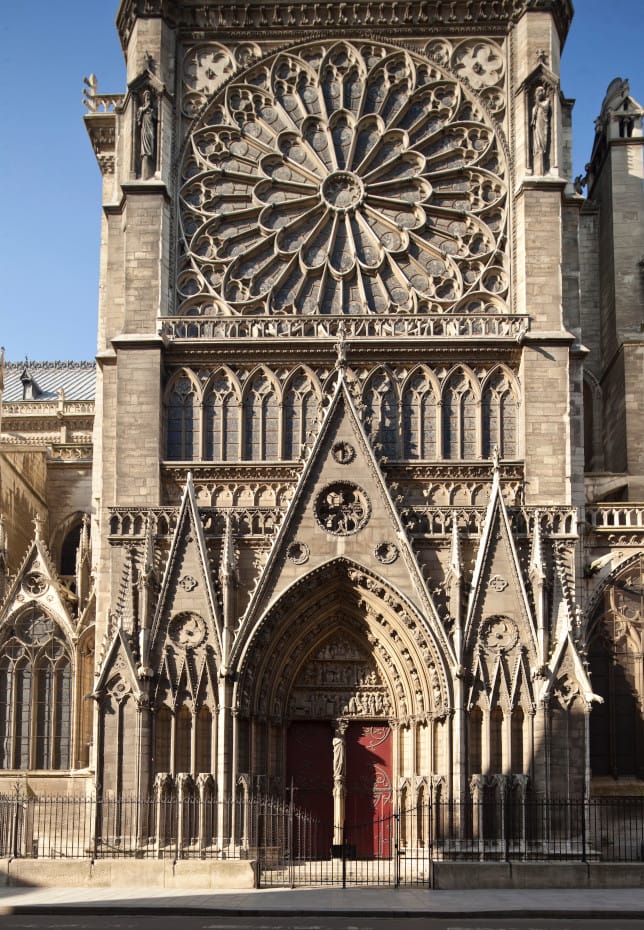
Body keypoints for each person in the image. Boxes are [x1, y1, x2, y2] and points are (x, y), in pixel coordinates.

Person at [531, 85, 551, 175]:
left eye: (540, 92)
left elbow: (545, 107)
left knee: (542, 140)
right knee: (537, 141)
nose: (539, 93)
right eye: (537, 92)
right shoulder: (535, 106)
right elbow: (533, 114)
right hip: (537, 125)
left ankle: (544, 165)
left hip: (542, 123)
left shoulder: (546, 101)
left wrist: (537, 101)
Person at [137, 89, 157, 179]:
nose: (148, 97)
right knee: (145, 146)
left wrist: (152, 112)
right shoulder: (141, 109)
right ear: (144, 98)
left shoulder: (152, 110)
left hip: (151, 128)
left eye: (149, 96)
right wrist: (146, 108)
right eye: (146, 96)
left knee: (151, 140)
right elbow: (139, 115)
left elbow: (156, 119)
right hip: (145, 128)